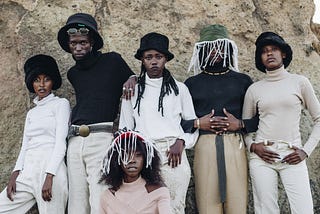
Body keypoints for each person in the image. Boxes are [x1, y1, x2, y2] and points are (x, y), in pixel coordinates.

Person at [57, 13, 136, 214]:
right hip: (75, 140)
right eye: (73, 43)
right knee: (76, 201)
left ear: (92, 42)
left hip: (101, 138)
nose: (78, 47)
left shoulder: (113, 61)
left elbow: (135, 80)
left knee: (100, 198)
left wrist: (132, 78)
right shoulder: (72, 74)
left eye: (83, 42)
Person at [119, 32, 199, 214]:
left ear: (166, 59)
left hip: (174, 155)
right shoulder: (133, 90)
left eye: (159, 57)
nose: (154, 61)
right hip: (145, 155)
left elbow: (193, 124)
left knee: (175, 208)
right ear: (142, 60)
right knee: (143, 208)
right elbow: (126, 129)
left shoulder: (180, 89)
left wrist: (182, 142)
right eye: (148, 57)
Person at [183, 24, 258, 214]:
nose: (215, 51)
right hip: (204, 144)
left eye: (219, 46)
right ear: (202, 50)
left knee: (237, 202)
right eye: (209, 46)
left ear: (228, 48)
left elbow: (259, 118)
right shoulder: (191, 84)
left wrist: (240, 124)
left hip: (235, 144)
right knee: (207, 202)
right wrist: (199, 123)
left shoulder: (243, 81)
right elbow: (179, 121)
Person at [242, 32, 320, 214]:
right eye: (264, 51)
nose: (269, 53)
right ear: (260, 58)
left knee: (304, 209)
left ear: (283, 54)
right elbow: (246, 127)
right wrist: (253, 146)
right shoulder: (254, 90)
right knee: (266, 210)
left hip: (292, 154)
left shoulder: (300, 82)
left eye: (274, 49)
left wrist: (305, 151)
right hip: (262, 157)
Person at [0, 54, 70, 213]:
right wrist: (14, 174)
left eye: (46, 79)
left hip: (52, 168)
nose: (42, 84)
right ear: (31, 83)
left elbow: (60, 143)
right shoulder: (32, 113)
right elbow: (25, 145)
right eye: (37, 80)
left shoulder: (61, 104)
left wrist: (50, 176)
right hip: (28, 169)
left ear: (53, 81)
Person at [99, 128, 171, 214]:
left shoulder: (159, 192)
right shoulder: (107, 196)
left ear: (146, 159)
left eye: (138, 155)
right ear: (116, 160)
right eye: (125, 155)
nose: (132, 160)